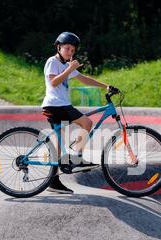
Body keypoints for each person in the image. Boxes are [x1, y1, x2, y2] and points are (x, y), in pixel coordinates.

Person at [42, 31, 119, 194]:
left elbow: (84, 79)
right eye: (67, 48)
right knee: (87, 123)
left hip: (59, 106)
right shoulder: (52, 61)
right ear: (58, 47)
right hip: (57, 105)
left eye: (72, 50)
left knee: (58, 143)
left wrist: (105, 86)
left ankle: (53, 181)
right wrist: (70, 68)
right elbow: (54, 82)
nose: (70, 52)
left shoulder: (66, 65)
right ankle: (76, 156)